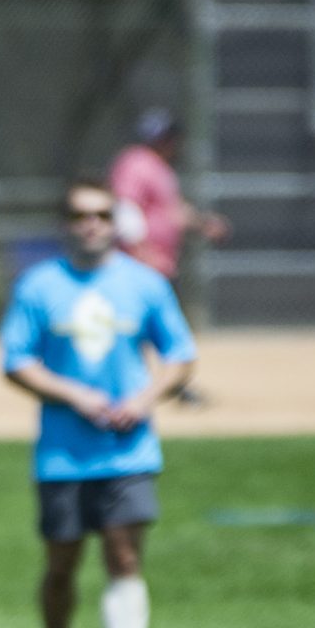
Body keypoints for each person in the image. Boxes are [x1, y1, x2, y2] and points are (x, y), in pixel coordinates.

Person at [0, 177, 197, 628]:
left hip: (128, 450)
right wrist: (75, 395)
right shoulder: (39, 286)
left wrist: (144, 399)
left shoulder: (145, 284)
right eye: (82, 215)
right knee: (61, 564)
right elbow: (16, 360)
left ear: (115, 223)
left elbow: (180, 355)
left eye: (104, 215)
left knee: (124, 555)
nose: (93, 225)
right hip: (62, 454)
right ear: (66, 224)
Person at [108, 108, 228, 407]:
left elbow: (170, 211)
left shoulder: (159, 168)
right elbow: (125, 210)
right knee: (144, 325)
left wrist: (203, 223)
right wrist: (141, 252)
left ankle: (173, 384)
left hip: (158, 263)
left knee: (156, 325)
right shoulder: (135, 162)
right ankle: (167, 385)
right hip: (141, 264)